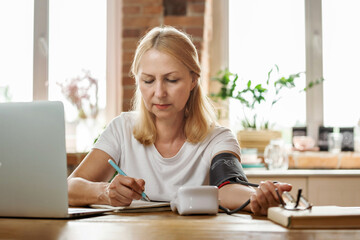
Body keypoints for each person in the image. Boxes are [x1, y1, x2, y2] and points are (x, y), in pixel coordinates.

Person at [67, 26, 292, 216]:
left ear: (193, 79)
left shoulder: (218, 139)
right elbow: (68, 187)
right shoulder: (121, 129)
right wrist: (106, 192)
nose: (159, 92)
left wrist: (257, 197)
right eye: (148, 81)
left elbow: (227, 186)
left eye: (171, 80)